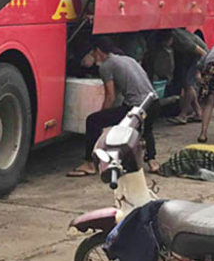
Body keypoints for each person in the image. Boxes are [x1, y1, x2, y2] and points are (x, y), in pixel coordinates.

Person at [68, 37, 160, 177]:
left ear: (98, 51)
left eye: (93, 53)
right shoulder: (128, 59)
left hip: (136, 107)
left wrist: (103, 116)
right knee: (145, 126)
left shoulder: (106, 66)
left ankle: (90, 163)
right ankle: (152, 161)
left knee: (93, 120)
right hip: (154, 103)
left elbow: (110, 96)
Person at [167, 28, 207, 125]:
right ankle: (198, 113)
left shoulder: (182, 40)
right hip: (190, 56)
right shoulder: (174, 36)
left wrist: (198, 70)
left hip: (198, 56)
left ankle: (183, 115)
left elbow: (203, 53)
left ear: (170, 39)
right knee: (186, 83)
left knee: (189, 85)